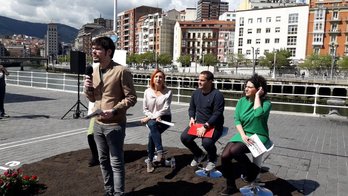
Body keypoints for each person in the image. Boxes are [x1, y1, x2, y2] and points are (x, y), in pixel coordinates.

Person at [84, 36, 137, 196]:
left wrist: (114, 110)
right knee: (103, 161)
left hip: (115, 124)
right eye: (93, 48)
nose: (94, 51)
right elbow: (93, 99)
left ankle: (118, 193)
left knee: (116, 162)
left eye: (98, 49)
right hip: (98, 123)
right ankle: (109, 191)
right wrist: (87, 89)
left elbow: (132, 98)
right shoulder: (93, 71)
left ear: (108, 52)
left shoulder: (121, 71)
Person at [220, 74, 271, 195]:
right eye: (245, 86)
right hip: (244, 134)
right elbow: (237, 120)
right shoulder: (242, 101)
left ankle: (251, 171)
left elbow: (258, 114)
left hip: (259, 135)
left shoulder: (266, 103)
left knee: (235, 151)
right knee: (225, 156)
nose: (246, 89)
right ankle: (231, 185)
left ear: (259, 89)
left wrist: (258, 96)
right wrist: (242, 135)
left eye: (249, 87)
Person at [180, 70, 225, 171]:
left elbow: (217, 113)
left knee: (207, 142)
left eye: (202, 80)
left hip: (214, 125)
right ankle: (199, 154)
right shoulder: (196, 93)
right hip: (198, 124)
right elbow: (192, 108)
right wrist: (191, 118)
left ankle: (213, 159)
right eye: (198, 80)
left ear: (210, 82)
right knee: (184, 138)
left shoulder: (217, 95)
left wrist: (205, 126)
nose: (199, 82)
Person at [140, 69, 172, 173]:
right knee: (152, 129)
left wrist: (152, 117)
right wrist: (152, 117)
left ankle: (151, 159)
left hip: (164, 118)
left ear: (164, 79)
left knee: (152, 132)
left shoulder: (168, 92)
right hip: (151, 118)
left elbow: (165, 109)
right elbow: (145, 109)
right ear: (153, 79)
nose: (158, 79)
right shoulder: (147, 91)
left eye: (161, 77)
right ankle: (159, 152)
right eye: (156, 76)